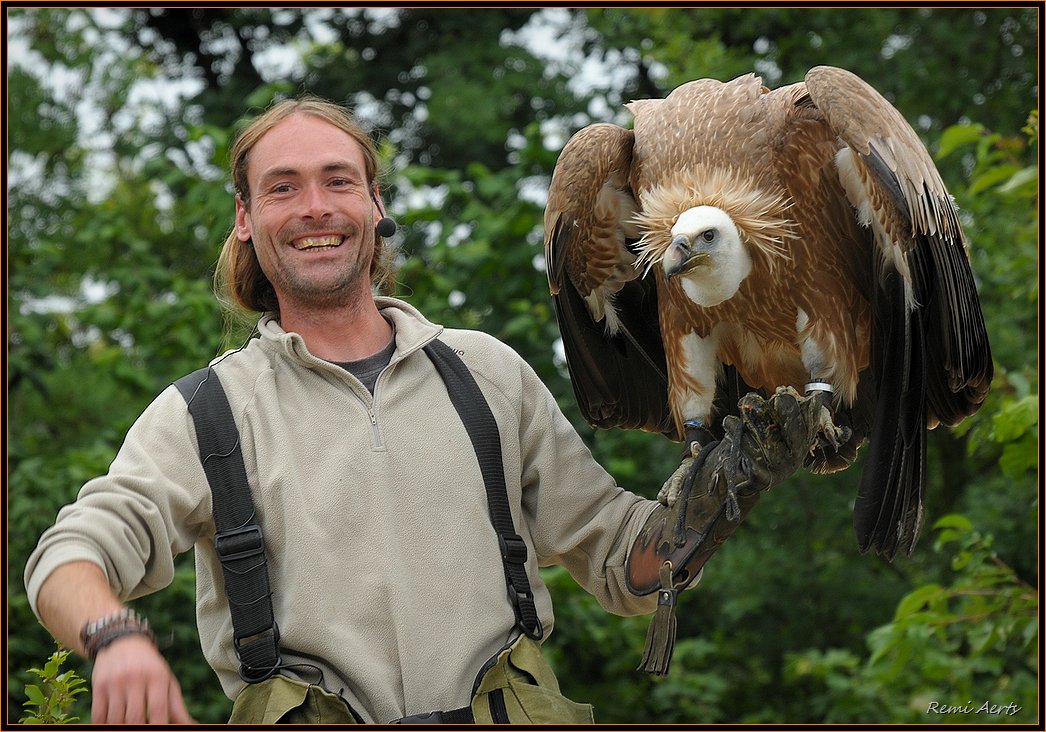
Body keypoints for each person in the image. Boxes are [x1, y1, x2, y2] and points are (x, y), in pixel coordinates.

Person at [24, 95, 825, 724]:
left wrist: (725, 486)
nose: (315, 207)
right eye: (282, 188)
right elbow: (68, 559)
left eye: (339, 180)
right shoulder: (205, 413)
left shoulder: (486, 375)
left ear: (375, 204)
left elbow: (628, 566)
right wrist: (116, 639)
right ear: (245, 220)